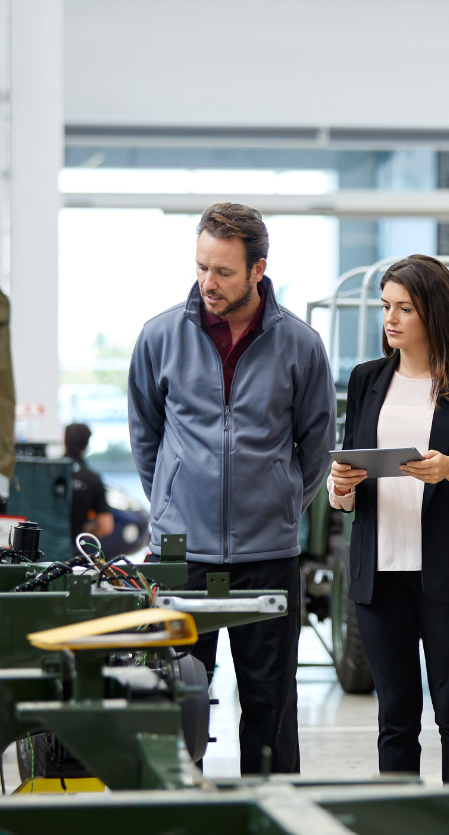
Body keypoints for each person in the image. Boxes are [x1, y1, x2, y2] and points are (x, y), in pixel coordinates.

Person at [128, 202, 335, 774]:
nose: (207, 283)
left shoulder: (300, 345)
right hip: (179, 558)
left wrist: (281, 503)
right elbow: (146, 437)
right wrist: (170, 504)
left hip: (267, 556)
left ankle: (271, 814)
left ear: (257, 269)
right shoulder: (159, 336)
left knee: (270, 707)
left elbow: (315, 445)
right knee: (172, 703)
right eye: (201, 267)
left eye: (222, 271)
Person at [327, 254, 449, 783]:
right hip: (380, 574)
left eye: (404, 308)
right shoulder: (366, 380)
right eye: (386, 307)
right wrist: (341, 488)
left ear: (434, 312)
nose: (391, 319)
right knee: (395, 720)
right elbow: (347, 472)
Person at [63, 422, 113, 544]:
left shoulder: (46, 473)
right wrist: (82, 532)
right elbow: (106, 526)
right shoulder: (92, 479)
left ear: (64, 440)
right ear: (86, 444)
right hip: (74, 553)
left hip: (42, 552)